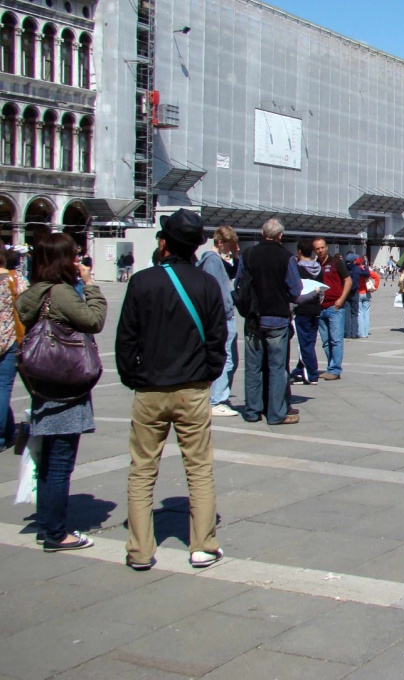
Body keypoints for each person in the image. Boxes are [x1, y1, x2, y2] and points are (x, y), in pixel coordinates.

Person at [115, 209, 228, 570]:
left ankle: (140, 550)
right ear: (196, 246)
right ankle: (203, 545)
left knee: (142, 470)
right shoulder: (207, 284)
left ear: (165, 243)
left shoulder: (142, 281)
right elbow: (217, 338)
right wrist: (208, 374)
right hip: (192, 389)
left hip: (149, 388)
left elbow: (125, 338)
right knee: (199, 468)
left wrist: (131, 376)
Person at [16, 233, 107, 552]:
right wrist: (91, 285)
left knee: (48, 459)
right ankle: (56, 533)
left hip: (43, 383)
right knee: (60, 463)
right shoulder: (61, 293)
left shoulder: (33, 292)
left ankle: (45, 524)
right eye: (71, 256)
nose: (76, 261)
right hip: (66, 385)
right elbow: (94, 321)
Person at [240, 219, 307, 425]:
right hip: (277, 317)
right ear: (280, 236)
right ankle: (276, 413)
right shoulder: (286, 258)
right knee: (278, 367)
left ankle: (252, 410)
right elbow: (295, 291)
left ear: (262, 233)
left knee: (253, 367)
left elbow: (239, 283)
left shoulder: (248, 254)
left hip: (253, 317)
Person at [199, 226, 240, 415]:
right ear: (220, 242)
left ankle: (218, 397)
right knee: (228, 359)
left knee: (229, 358)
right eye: (229, 245)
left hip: (224, 314)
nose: (230, 249)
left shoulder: (214, 260)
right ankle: (217, 400)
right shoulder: (213, 261)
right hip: (223, 316)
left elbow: (231, 274)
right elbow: (215, 291)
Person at [312, 238, 351, 381]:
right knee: (326, 341)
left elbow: (348, 280)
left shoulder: (336, 262)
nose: (320, 250)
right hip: (320, 307)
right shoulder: (315, 265)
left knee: (336, 340)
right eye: (317, 248)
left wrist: (341, 299)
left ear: (327, 247)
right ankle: (330, 366)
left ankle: (335, 369)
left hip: (334, 307)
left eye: (322, 247)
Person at [0, 246, 26, 450]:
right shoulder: (15, 279)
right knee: (3, 388)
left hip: (9, 341)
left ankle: (6, 430)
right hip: (9, 340)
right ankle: (4, 433)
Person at [291, 239, 323, 385]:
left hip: (302, 307)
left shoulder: (297, 268)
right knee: (310, 340)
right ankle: (299, 370)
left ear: (299, 251)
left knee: (304, 343)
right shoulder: (318, 267)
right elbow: (322, 289)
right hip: (316, 307)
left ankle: (312, 373)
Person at [353, 256, 380, 338]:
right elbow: (377, 277)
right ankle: (367, 330)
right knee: (366, 313)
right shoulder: (366, 270)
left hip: (358, 293)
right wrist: (374, 287)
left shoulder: (355, 270)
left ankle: (362, 333)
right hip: (367, 293)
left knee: (360, 314)